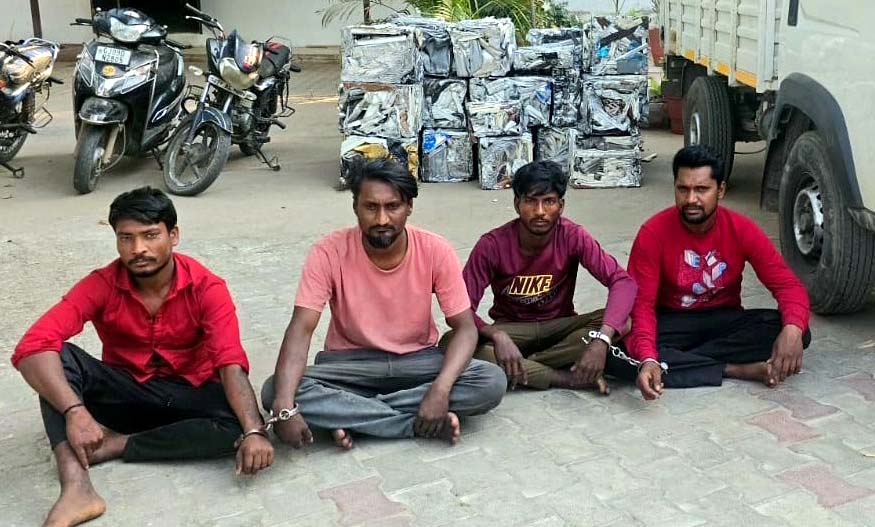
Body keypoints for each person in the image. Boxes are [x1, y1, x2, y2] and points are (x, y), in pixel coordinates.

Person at [12, 187, 272, 527]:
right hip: (126, 394)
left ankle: (116, 446)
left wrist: (254, 432)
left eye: (150, 235)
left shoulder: (207, 287)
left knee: (241, 425)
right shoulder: (102, 283)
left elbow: (230, 364)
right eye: (126, 238)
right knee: (52, 361)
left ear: (173, 235)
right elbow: (32, 344)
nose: (138, 249)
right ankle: (76, 487)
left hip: (188, 397)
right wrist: (75, 411)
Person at [261, 159, 505, 450]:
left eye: (393, 207)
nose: (382, 220)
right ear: (355, 206)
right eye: (371, 207)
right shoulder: (328, 252)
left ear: (409, 207)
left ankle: (351, 414)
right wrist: (284, 405)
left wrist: (440, 390)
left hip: (417, 361)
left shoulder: (435, 249)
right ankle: (410, 423)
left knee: (490, 380)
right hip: (350, 365)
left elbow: (465, 328)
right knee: (275, 390)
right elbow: (301, 329)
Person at [627, 145, 811, 400]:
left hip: (723, 321)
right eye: (683, 189)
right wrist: (648, 356)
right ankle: (733, 369)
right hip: (672, 323)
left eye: (702, 189)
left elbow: (787, 286)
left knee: (796, 331)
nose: (691, 199)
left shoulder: (741, 228)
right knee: (620, 350)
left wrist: (792, 330)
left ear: (720, 190)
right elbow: (641, 305)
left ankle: (677, 362)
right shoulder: (652, 233)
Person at [449, 160, 639, 393]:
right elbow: (460, 308)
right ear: (517, 204)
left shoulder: (572, 236)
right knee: (451, 342)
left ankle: (523, 367)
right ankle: (562, 377)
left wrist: (602, 341)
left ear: (561, 205)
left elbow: (622, 282)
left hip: (559, 328)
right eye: (531, 201)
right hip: (513, 330)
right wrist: (497, 335)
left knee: (622, 321)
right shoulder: (492, 245)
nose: (540, 211)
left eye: (548, 201)